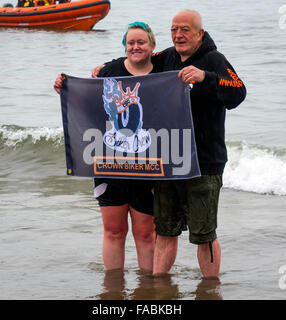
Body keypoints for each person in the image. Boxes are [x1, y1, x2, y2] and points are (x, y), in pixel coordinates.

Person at [92, 10, 246, 279]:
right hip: (168, 160)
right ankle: (157, 288)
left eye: (185, 29)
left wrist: (205, 77)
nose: (178, 35)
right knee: (164, 230)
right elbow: (139, 57)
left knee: (204, 235)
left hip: (204, 163)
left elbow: (238, 91)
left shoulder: (214, 59)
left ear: (200, 33)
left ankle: (210, 289)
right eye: (174, 29)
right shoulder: (169, 57)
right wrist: (104, 67)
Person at [54, 22, 161, 272]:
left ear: (152, 46)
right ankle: (113, 290)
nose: (136, 47)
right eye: (131, 43)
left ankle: (148, 289)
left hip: (150, 166)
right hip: (110, 164)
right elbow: (88, 102)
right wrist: (64, 87)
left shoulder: (163, 73)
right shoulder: (109, 71)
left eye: (141, 42)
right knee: (114, 231)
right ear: (125, 46)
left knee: (146, 233)